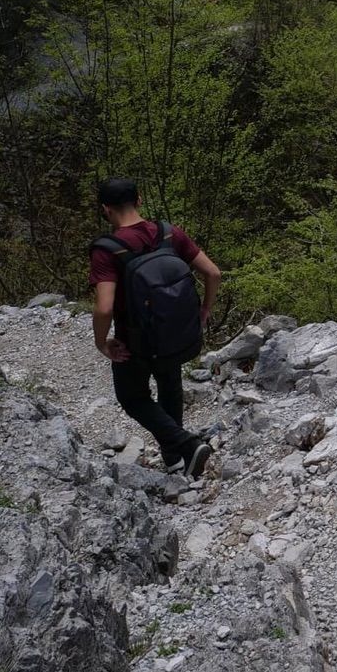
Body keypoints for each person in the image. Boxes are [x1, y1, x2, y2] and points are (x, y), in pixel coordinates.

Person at [89, 177, 220, 479]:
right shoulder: (168, 233)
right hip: (174, 331)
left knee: (133, 397)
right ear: (139, 201)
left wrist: (102, 342)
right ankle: (176, 459)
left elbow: (104, 307)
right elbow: (213, 272)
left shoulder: (107, 249)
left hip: (134, 340)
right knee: (169, 387)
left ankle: (185, 445)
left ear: (105, 210)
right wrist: (204, 310)